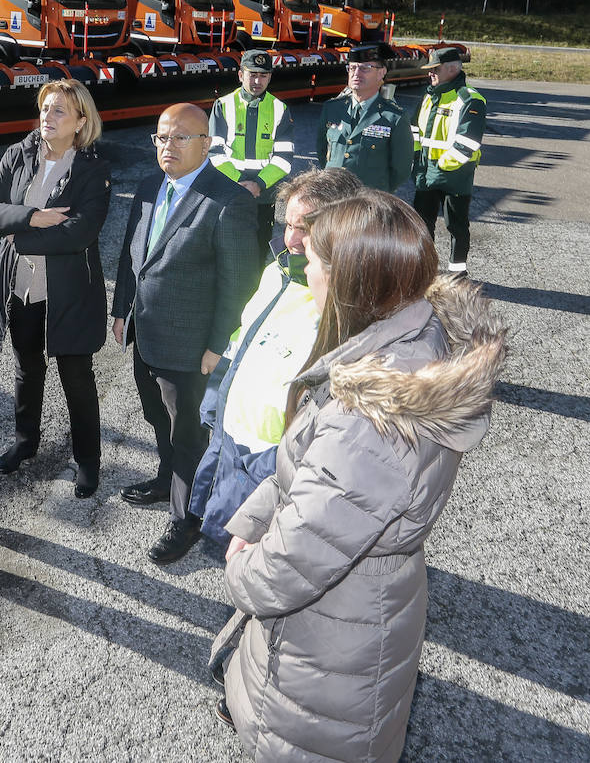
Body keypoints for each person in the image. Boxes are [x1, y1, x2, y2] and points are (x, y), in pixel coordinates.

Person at [210, 190, 506, 762]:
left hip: (329, 643)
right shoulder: (406, 339)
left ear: (352, 281)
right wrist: (254, 516)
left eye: (316, 263)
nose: (307, 272)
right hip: (355, 611)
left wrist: (240, 568)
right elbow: (313, 477)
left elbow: (290, 566)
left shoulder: (370, 420)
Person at [111, 103, 259, 564]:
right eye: (160, 137)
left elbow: (239, 284)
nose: (166, 147)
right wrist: (121, 310)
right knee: (158, 418)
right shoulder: (150, 187)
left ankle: (186, 519)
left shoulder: (229, 201)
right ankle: (164, 478)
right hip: (146, 331)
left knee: (190, 435)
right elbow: (133, 255)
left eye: (179, 138)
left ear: (207, 144)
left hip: (192, 347)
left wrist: (217, 345)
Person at [187, 167, 363, 551]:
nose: (292, 239)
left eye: (307, 228)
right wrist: (216, 403)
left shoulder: (343, 311)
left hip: (273, 458)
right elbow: (242, 344)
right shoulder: (275, 270)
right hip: (233, 435)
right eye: (289, 224)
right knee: (223, 530)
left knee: (259, 552)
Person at [0, 79, 112, 499]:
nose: (47, 118)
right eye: (45, 108)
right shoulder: (19, 153)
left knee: (76, 377)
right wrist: (31, 217)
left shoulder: (93, 169)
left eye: (59, 111)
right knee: (26, 369)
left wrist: (18, 233)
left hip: (69, 293)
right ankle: (25, 441)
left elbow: (80, 232)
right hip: (21, 289)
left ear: (81, 122)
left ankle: (88, 460)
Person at [209, 48, 296, 260]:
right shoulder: (222, 105)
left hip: (263, 196)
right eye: (252, 74)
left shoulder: (280, 109)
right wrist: (239, 183)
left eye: (263, 75)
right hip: (229, 192)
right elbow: (214, 153)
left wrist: (258, 184)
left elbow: (284, 160)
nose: (257, 81)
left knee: (258, 251)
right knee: (224, 250)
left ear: (270, 77)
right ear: (241, 75)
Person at [411, 46, 487, 276]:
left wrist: (442, 166)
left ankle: (457, 272)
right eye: (430, 69)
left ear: (453, 69)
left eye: (435, 69)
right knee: (422, 225)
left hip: (455, 175)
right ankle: (425, 269)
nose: (430, 73)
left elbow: (468, 143)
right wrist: (417, 158)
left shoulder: (470, 99)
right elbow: (414, 130)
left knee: (456, 226)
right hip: (427, 172)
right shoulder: (429, 96)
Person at [316, 45, 412, 191]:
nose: (356, 73)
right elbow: (322, 150)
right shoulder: (332, 108)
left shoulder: (394, 117)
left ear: (381, 73)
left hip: (368, 200)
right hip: (333, 196)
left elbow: (401, 169)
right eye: (352, 68)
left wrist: (379, 192)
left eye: (365, 68)